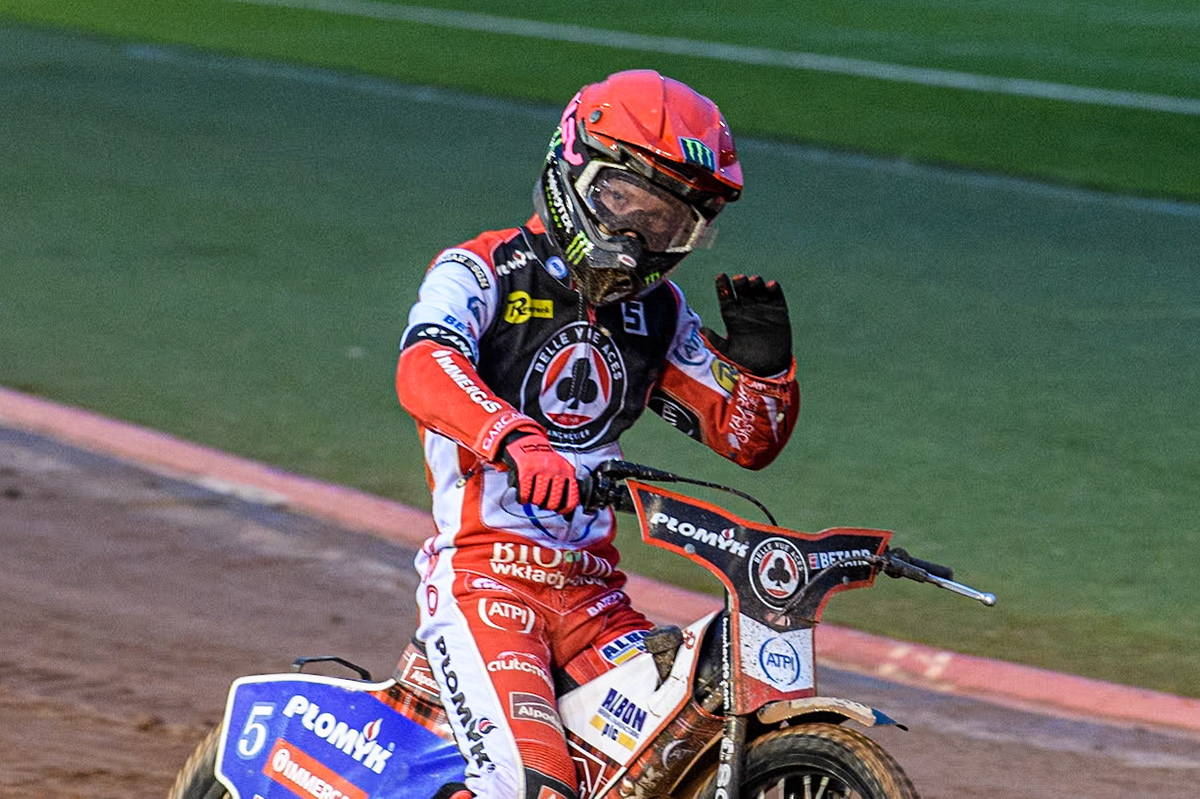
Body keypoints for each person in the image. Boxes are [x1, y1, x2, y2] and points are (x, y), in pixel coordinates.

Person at [396, 69, 799, 799]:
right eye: (627, 204)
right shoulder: (478, 268)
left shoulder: (661, 309)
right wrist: (514, 439)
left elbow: (746, 441)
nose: (643, 237)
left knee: (686, 742)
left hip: (592, 597)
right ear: (573, 170)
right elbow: (424, 365)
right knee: (535, 785)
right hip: (485, 583)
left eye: (669, 222)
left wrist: (767, 374)